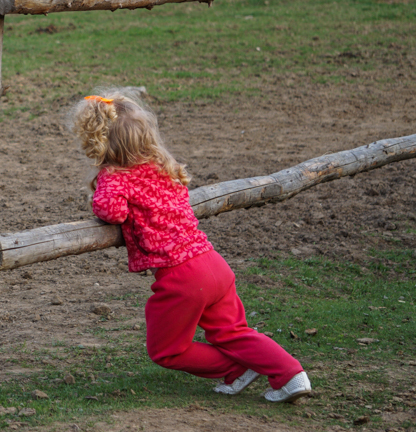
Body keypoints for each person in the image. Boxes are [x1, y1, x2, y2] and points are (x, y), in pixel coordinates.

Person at [69, 91, 311, 403]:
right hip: (212, 263)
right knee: (234, 333)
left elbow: (111, 212)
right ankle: (291, 374)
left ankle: (235, 367)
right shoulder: (163, 167)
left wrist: (107, 179)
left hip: (181, 278)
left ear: (99, 142)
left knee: (166, 350)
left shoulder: (118, 177)